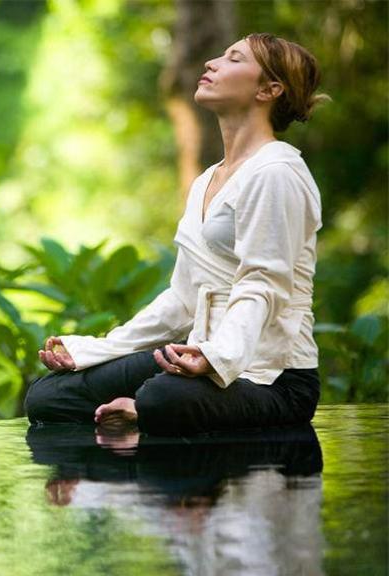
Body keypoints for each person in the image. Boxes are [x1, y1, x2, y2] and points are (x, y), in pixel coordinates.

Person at [24, 33, 333, 436]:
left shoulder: (276, 173)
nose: (212, 63)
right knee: (49, 397)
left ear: (269, 89)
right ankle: (140, 419)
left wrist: (217, 358)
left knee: (161, 398)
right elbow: (183, 299)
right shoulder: (207, 181)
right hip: (198, 357)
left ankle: (142, 411)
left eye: (234, 59)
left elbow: (264, 283)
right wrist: (93, 350)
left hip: (273, 378)